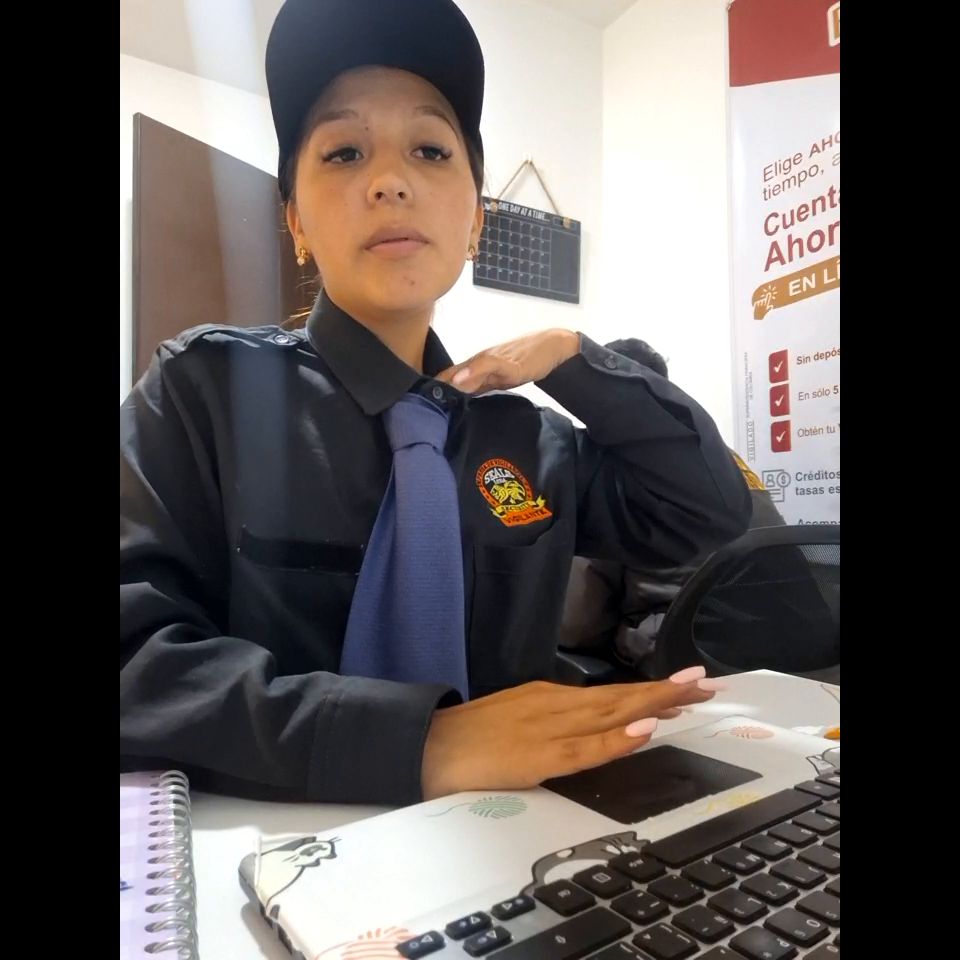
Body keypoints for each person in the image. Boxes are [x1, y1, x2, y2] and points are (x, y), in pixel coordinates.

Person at [120, 0, 750, 806]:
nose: (390, 181)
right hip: (279, 850)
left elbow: (706, 510)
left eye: (429, 149)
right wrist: (420, 741)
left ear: (477, 220)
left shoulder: (529, 441)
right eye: (344, 152)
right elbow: (135, 659)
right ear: (296, 221)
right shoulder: (202, 391)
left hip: (516, 845)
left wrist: (577, 359)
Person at [560, 338, 835, 676]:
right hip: (795, 648)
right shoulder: (718, 456)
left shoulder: (610, 471)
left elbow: (578, 625)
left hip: (691, 661)